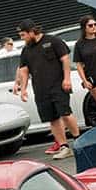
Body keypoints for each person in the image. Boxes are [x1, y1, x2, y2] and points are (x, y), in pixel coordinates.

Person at [14, 19, 79, 160]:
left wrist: (67, 79)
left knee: (66, 114)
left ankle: (78, 141)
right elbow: (24, 70)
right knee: (52, 119)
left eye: (23, 35)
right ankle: (64, 147)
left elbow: (65, 60)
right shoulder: (26, 50)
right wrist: (23, 88)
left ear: (32, 32)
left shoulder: (53, 41)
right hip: (41, 89)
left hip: (58, 85)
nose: (22, 38)